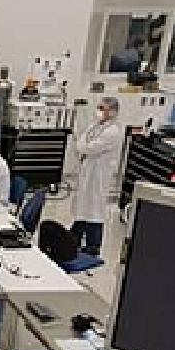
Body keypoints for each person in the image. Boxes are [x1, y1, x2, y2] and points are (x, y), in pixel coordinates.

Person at [70, 94, 122, 258]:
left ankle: (93, 246)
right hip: (88, 172)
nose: (99, 111)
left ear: (112, 112)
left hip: (99, 175)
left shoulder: (112, 132)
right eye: (99, 108)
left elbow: (88, 148)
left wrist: (83, 146)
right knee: (83, 208)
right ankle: (74, 240)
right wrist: (83, 146)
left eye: (103, 109)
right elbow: (81, 143)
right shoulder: (95, 126)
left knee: (94, 210)